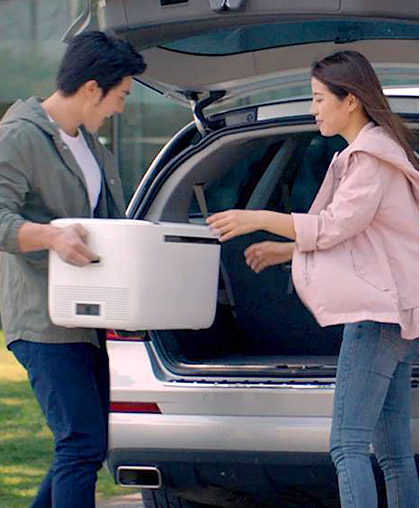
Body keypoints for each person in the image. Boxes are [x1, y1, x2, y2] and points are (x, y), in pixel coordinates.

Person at [207, 50, 419, 508]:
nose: (313, 109)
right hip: (398, 313)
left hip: (377, 317)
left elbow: (331, 227)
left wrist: (254, 217)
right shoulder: (380, 153)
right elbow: (358, 234)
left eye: (320, 98)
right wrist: (285, 249)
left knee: (347, 445)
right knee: (394, 453)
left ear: (351, 101)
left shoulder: (370, 161)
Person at [0, 31, 145, 507]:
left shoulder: (92, 147)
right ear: (91, 88)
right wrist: (51, 236)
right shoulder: (20, 136)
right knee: (81, 442)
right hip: (42, 322)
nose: (121, 108)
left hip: (87, 319)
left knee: (86, 444)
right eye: (121, 95)